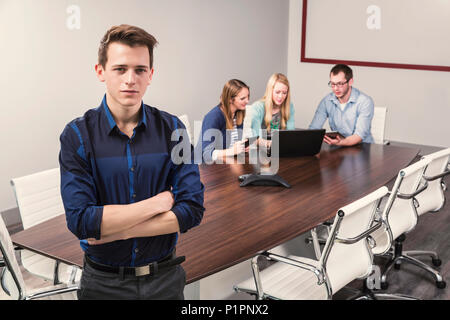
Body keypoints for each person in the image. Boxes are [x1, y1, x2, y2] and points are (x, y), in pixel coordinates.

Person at [58, 24, 205, 300]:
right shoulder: (77, 135)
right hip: (104, 284)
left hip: (165, 280)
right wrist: (157, 204)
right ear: (100, 72)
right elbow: (81, 220)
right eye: (120, 69)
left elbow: (192, 209)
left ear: (150, 75)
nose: (130, 79)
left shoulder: (175, 129)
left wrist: (115, 232)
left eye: (139, 70)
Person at [309, 64, 374, 146]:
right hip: (337, 147)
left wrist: (341, 142)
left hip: (362, 148)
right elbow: (314, 129)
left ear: (350, 82)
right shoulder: (327, 101)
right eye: (333, 84)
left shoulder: (364, 101)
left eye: (340, 84)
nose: (336, 88)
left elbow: (359, 136)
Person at [200, 79, 250, 163]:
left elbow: (233, 145)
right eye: (242, 98)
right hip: (213, 167)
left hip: (229, 163)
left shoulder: (239, 113)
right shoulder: (213, 117)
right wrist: (232, 151)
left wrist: (241, 148)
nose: (247, 101)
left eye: (248, 97)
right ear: (230, 99)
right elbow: (206, 154)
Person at [250, 73, 295, 147]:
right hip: (261, 149)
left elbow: (290, 133)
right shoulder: (258, 107)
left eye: (284, 93)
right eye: (277, 92)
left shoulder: (289, 106)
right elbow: (255, 138)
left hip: (281, 148)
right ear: (270, 91)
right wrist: (271, 144)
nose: (280, 96)